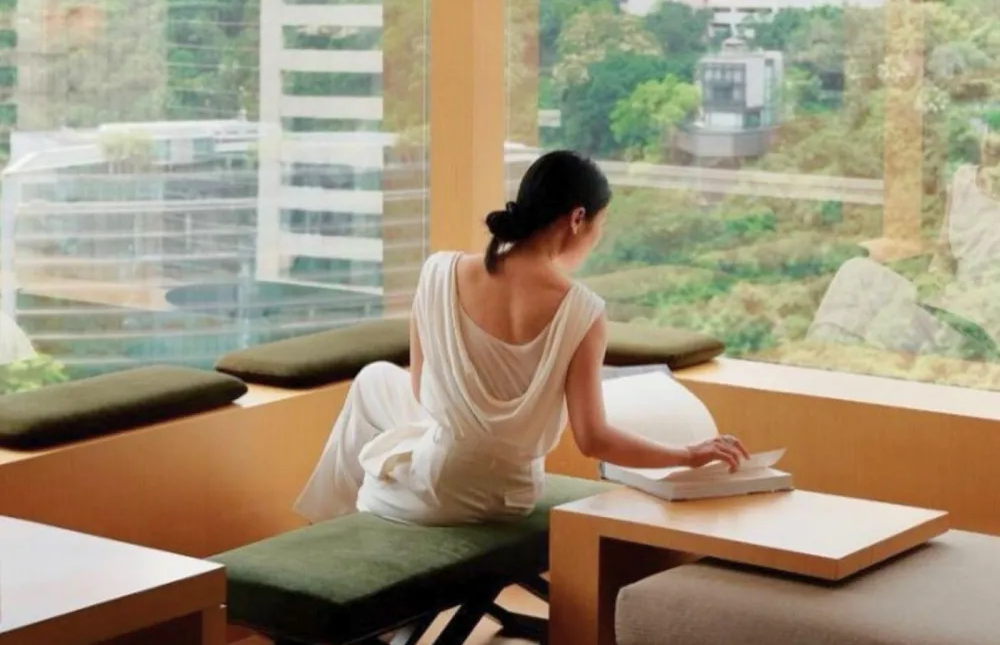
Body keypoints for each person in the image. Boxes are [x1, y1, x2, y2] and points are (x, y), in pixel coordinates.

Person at [294, 150, 749, 526]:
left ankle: (321, 531)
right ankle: (331, 533)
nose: (596, 237)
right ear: (577, 218)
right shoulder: (584, 311)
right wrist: (689, 455)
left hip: (437, 488)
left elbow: (421, 389)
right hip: (510, 496)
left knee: (375, 385)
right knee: (376, 379)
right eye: (600, 226)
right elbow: (594, 440)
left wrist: (466, 413)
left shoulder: (439, 272)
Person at [808, 133, 1000, 355]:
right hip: (946, 310)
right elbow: (944, 256)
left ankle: (864, 363)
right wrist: (933, 284)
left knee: (895, 319)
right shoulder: (964, 181)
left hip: (979, 331)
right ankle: (823, 363)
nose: (990, 141)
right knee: (857, 272)